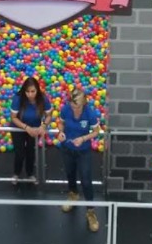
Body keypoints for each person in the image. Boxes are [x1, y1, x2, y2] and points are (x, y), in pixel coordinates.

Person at [56, 87, 101, 233]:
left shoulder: (90, 113)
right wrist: (61, 132)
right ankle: (73, 195)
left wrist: (83, 138)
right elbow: (61, 122)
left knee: (86, 180)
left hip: (83, 152)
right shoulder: (66, 109)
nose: (74, 108)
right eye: (72, 105)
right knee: (70, 175)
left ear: (83, 104)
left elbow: (96, 131)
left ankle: (90, 211)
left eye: (77, 106)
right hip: (67, 149)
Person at [10, 77, 51, 185]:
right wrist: (26, 128)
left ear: (37, 90)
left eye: (33, 91)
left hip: (35, 129)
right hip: (18, 128)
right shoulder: (18, 98)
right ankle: (16, 174)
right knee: (19, 153)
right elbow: (13, 117)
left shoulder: (43, 98)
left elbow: (48, 115)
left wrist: (43, 126)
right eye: (27, 91)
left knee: (31, 152)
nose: (30, 94)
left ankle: (30, 174)